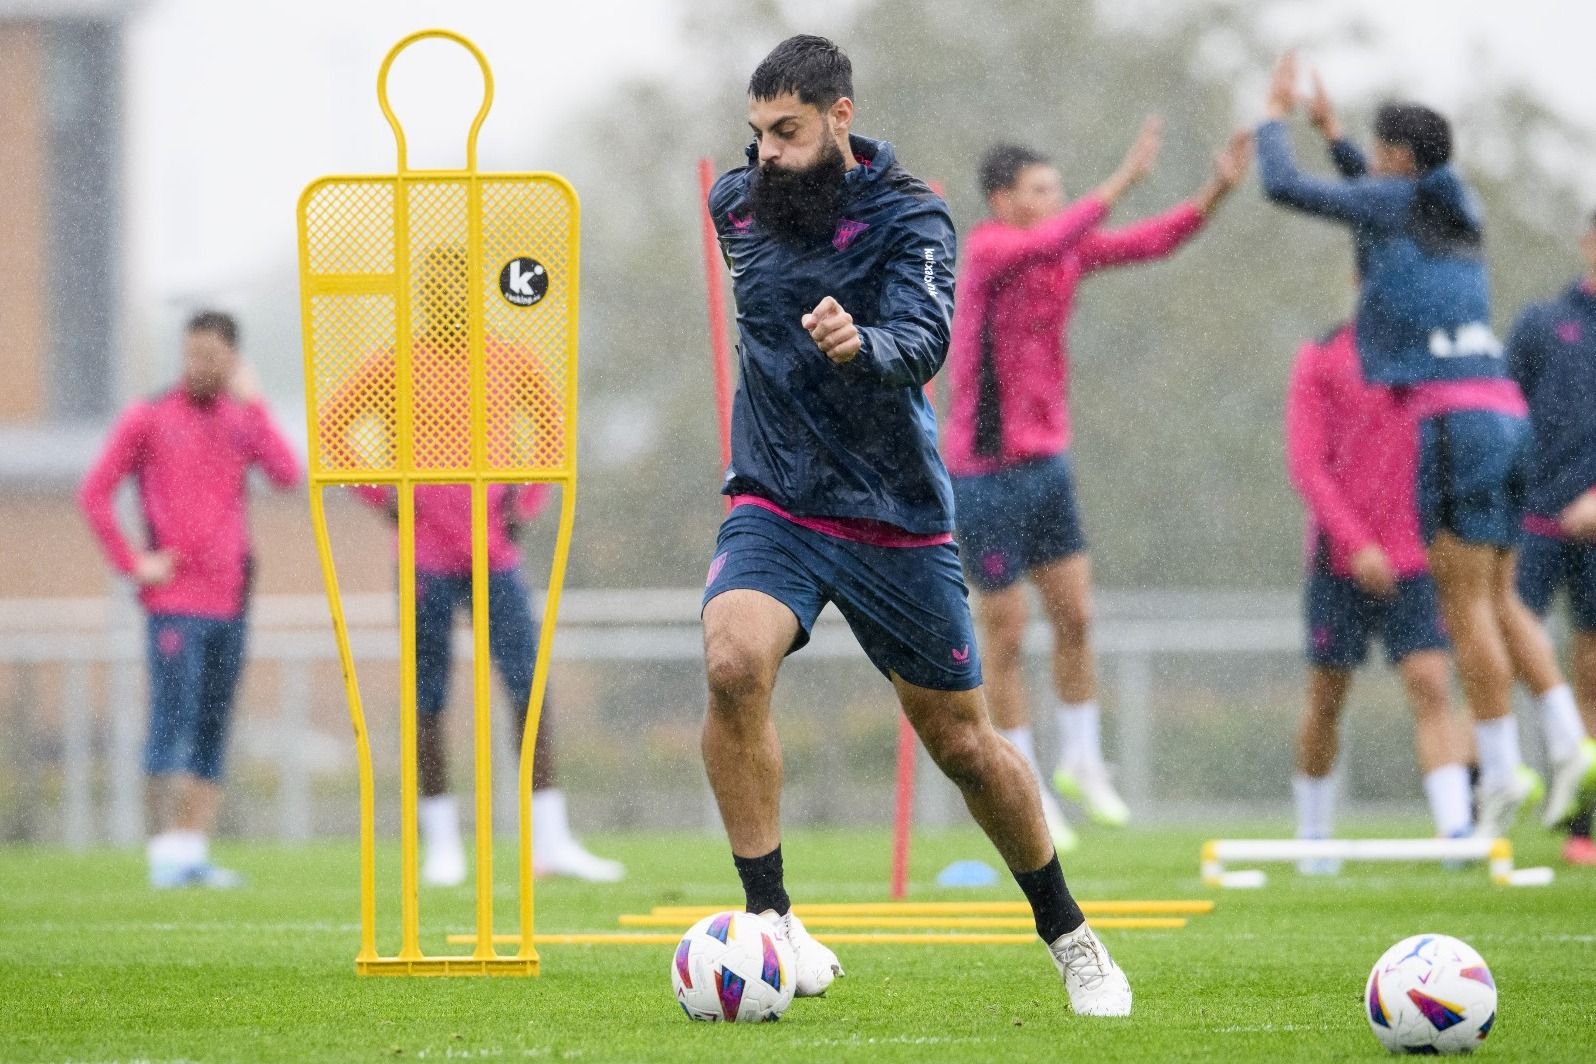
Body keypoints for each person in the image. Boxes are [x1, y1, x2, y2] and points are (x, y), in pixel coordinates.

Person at [701, 34, 1131, 1017]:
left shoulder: (911, 214)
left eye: (788, 130)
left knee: (963, 742)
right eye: (756, 132)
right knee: (732, 660)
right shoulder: (734, 204)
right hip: (775, 495)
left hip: (894, 510)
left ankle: (1070, 931)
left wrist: (866, 343)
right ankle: (772, 921)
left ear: (840, 118)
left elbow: (929, 335)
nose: (766, 151)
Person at [1256, 53, 1592, 838]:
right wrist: (1339, 138)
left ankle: (1507, 769)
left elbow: (1286, 188)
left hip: (1453, 421)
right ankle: (1569, 743)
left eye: (1376, 155)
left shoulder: (1401, 204)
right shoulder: (1454, 206)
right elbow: (1373, 199)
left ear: (1400, 160)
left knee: (1463, 603)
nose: (1368, 167)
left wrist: (1273, 117)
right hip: (1506, 412)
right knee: (1504, 598)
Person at [941, 123, 1251, 849]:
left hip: (1048, 464)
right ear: (1002, 200)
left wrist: (1214, 193)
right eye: (1041, 191)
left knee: (1077, 616)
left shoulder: (1062, 249)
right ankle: (1025, 783)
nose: (1056, 201)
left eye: (1058, 189)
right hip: (984, 472)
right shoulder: (991, 250)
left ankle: (1082, 759)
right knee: (1007, 633)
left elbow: (1150, 242)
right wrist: (1118, 182)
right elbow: (1052, 240)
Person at [324, 246, 621, 885]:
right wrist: (385, 498)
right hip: (425, 556)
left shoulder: (505, 356)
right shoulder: (397, 362)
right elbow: (332, 429)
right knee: (428, 699)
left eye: (454, 285)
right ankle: (442, 845)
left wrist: (526, 498)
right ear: (420, 293)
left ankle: (551, 840)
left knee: (529, 686)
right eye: (433, 285)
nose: (444, 297)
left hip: (493, 552)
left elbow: (551, 428)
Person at [79, 310, 301, 887]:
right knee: (169, 721)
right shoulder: (149, 417)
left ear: (232, 361)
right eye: (190, 354)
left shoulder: (241, 419)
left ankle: (191, 852)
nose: (197, 366)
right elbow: (95, 493)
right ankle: (162, 857)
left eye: (209, 356)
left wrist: (258, 406)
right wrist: (134, 564)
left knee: (212, 725)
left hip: (231, 599)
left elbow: (287, 474)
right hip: (174, 601)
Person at [1285, 318, 1474, 869]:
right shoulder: (1320, 356)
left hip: (1415, 559)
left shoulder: (1430, 353)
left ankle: (1456, 832)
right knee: (1327, 697)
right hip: (1338, 562)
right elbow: (1307, 465)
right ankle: (1314, 836)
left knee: (1431, 685)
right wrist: (1358, 543)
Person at [1506, 209, 1596, 863]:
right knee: (1500, 644)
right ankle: (1489, 795)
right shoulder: (1543, 323)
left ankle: (1585, 826)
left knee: (1591, 670)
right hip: (1531, 524)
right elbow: (1504, 411)